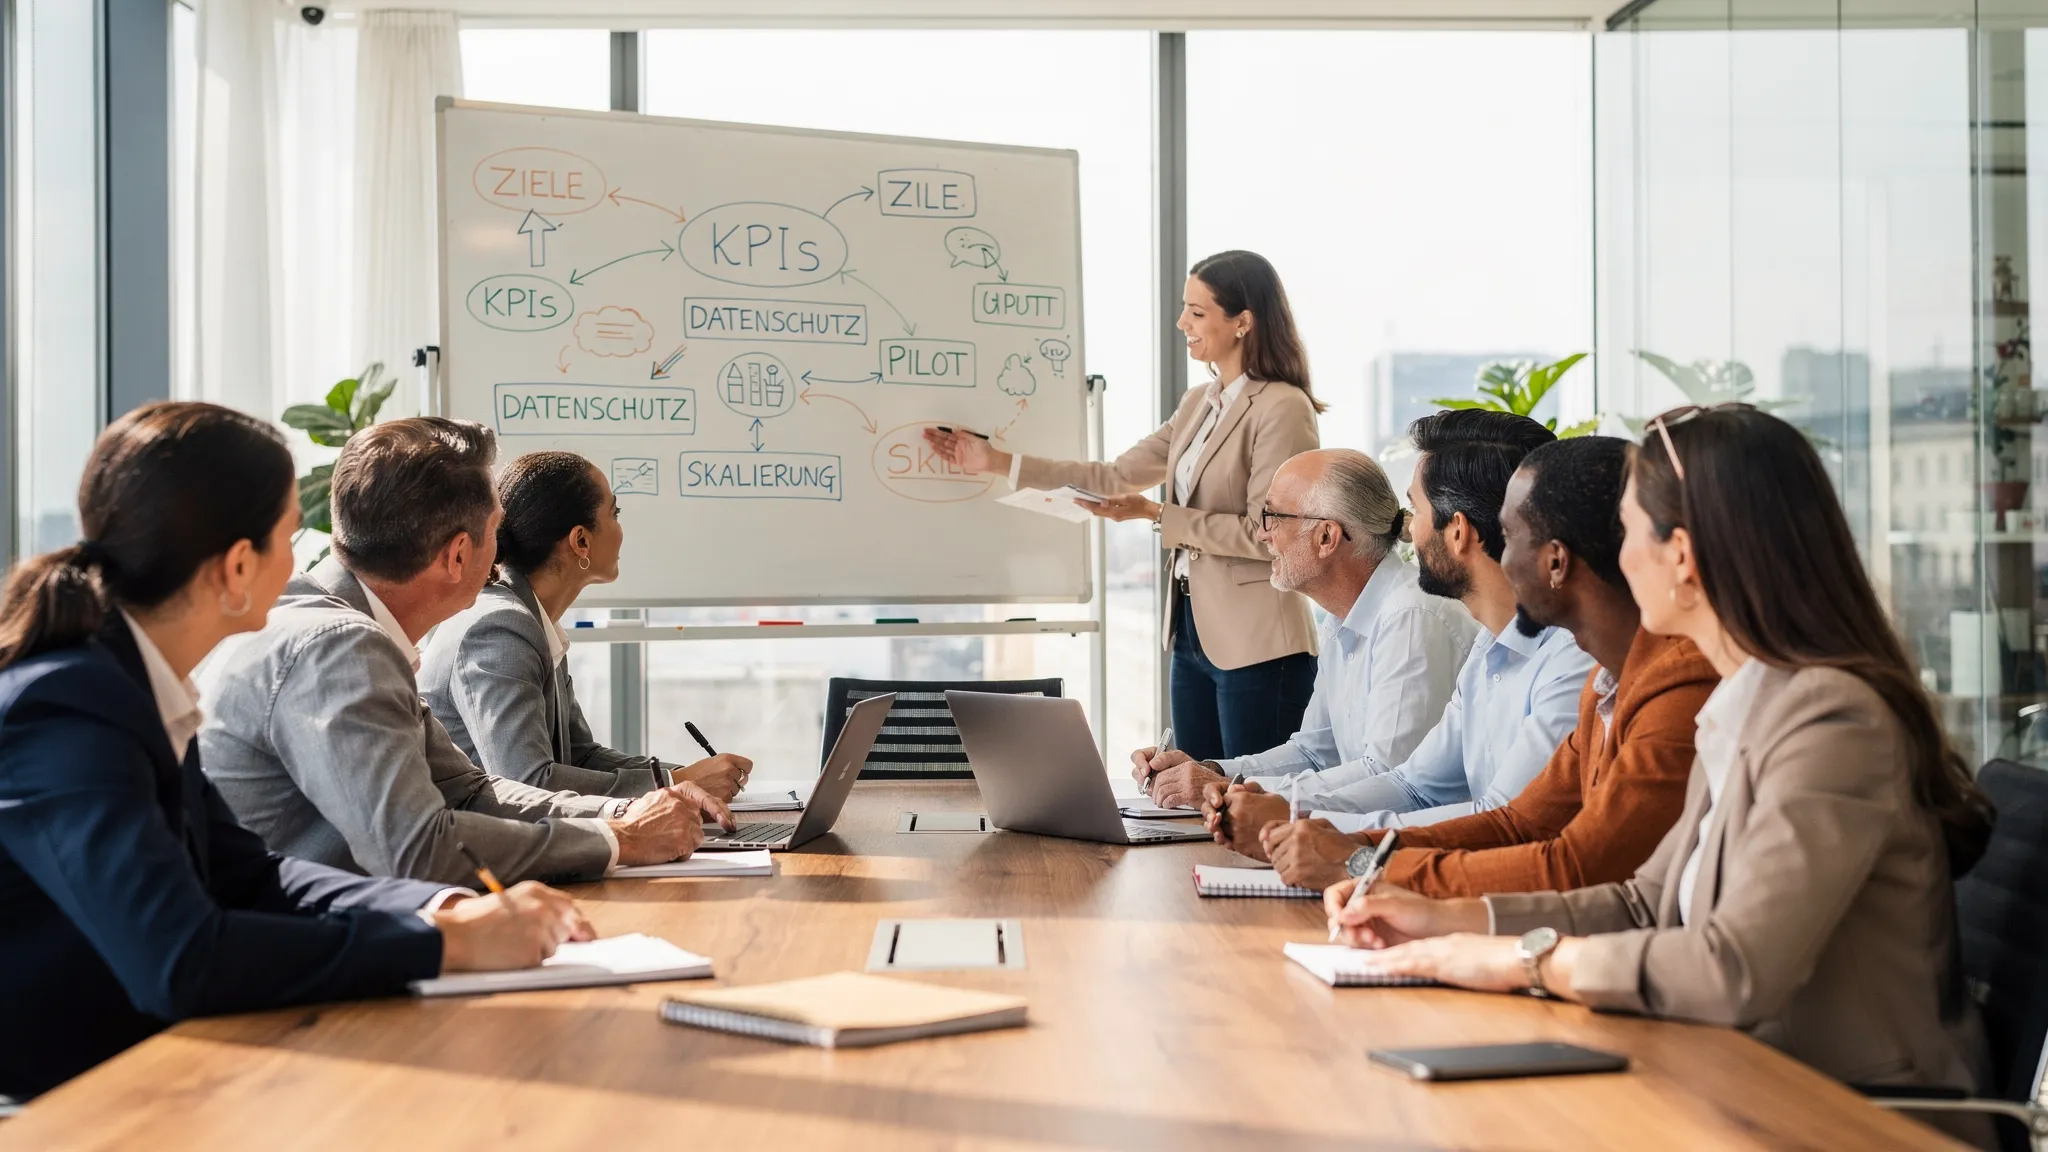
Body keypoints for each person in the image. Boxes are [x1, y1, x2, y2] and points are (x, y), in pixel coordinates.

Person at [1324, 406, 1995, 1116]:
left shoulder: (1833, 720)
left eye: (1630, 530)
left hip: (1850, 1114)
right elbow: (1643, 901)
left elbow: (1732, 967)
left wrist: (1519, 959)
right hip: (1734, 1077)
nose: (1618, 553)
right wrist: (1447, 922)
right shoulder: (1748, 695)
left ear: (1681, 555)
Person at [0, 403, 592, 1101]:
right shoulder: (69, 706)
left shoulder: (132, 684)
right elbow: (183, 958)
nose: (309, 558)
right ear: (238, 565)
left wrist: (440, 909)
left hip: (160, 1065)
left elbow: (253, 874)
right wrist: (445, 948)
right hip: (76, 1098)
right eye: (290, 534)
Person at [201, 419, 732, 888]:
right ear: (458, 555)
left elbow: (469, 792)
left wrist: (623, 812)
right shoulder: (339, 647)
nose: (506, 551)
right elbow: (418, 848)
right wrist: (619, 839)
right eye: (497, 531)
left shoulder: (344, 628)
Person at [1264, 436, 1717, 891]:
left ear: (1556, 561)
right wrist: (1347, 844)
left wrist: (1360, 861)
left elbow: (1572, 865)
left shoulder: (1664, 678)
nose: (1497, 554)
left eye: (1510, 534)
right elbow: (1515, 824)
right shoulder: (1604, 679)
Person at [924, 250, 1322, 761]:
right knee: (1194, 798)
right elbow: (1114, 477)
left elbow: (1268, 534)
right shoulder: (1198, 403)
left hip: (1259, 643)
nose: (1183, 323)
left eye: (1197, 313)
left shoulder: (1282, 407)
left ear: (1242, 322)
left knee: (1252, 804)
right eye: (1184, 308)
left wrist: (1156, 515)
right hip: (1191, 634)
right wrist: (996, 461)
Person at [1201, 413, 1594, 858]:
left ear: (1458, 532)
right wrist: (1290, 812)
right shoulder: (1490, 643)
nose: (1406, 528)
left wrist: (1320, 834)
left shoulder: (1570, 657)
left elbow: (1506, 823)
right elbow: (1414, 785)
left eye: (1417, 510)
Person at [1132, 448, 1477, 813]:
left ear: (1327, 536)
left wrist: (1227, 789)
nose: (1262, 534)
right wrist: (1212, 771)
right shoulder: (1341, 618)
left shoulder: (1410, 616)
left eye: (1273, 517)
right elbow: (1313, 752)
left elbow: (1388, 779)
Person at [420, 451, 750, 800]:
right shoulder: (500, 628)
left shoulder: (532, 618)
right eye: (615, 514)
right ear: (580, 541)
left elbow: (581, 755)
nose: (622, 529)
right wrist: (676, 784)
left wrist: (684, 777)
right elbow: (528, 782)